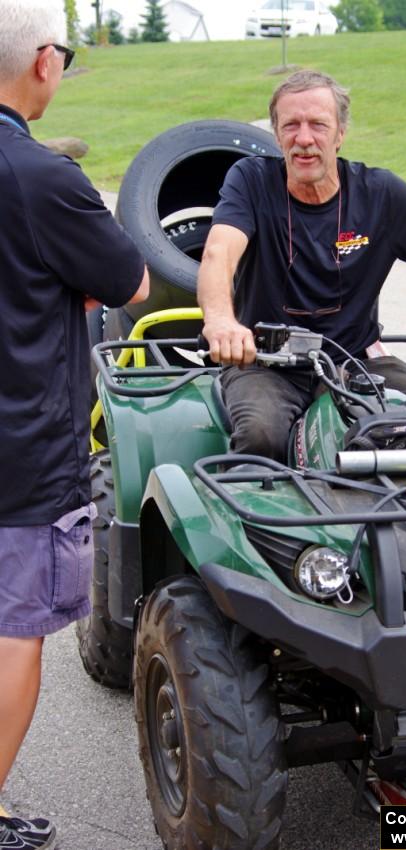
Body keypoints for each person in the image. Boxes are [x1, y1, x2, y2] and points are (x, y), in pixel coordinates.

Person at [197, 69, 406, 462]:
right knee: (261, 437)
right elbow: (219, 252)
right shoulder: (251, 181)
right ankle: (257, 520)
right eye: (291, 125)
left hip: (354, 360)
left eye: (318, 125)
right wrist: (220, 321)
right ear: (277, 132)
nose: (304, 139)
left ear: (340, 134)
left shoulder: (379, 194)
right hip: (266, 365)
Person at [0, 2, 149, 848]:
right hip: (19, 450)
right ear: (44, 63)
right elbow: (128, 281)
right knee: (15, 634)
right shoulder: (42, 175)